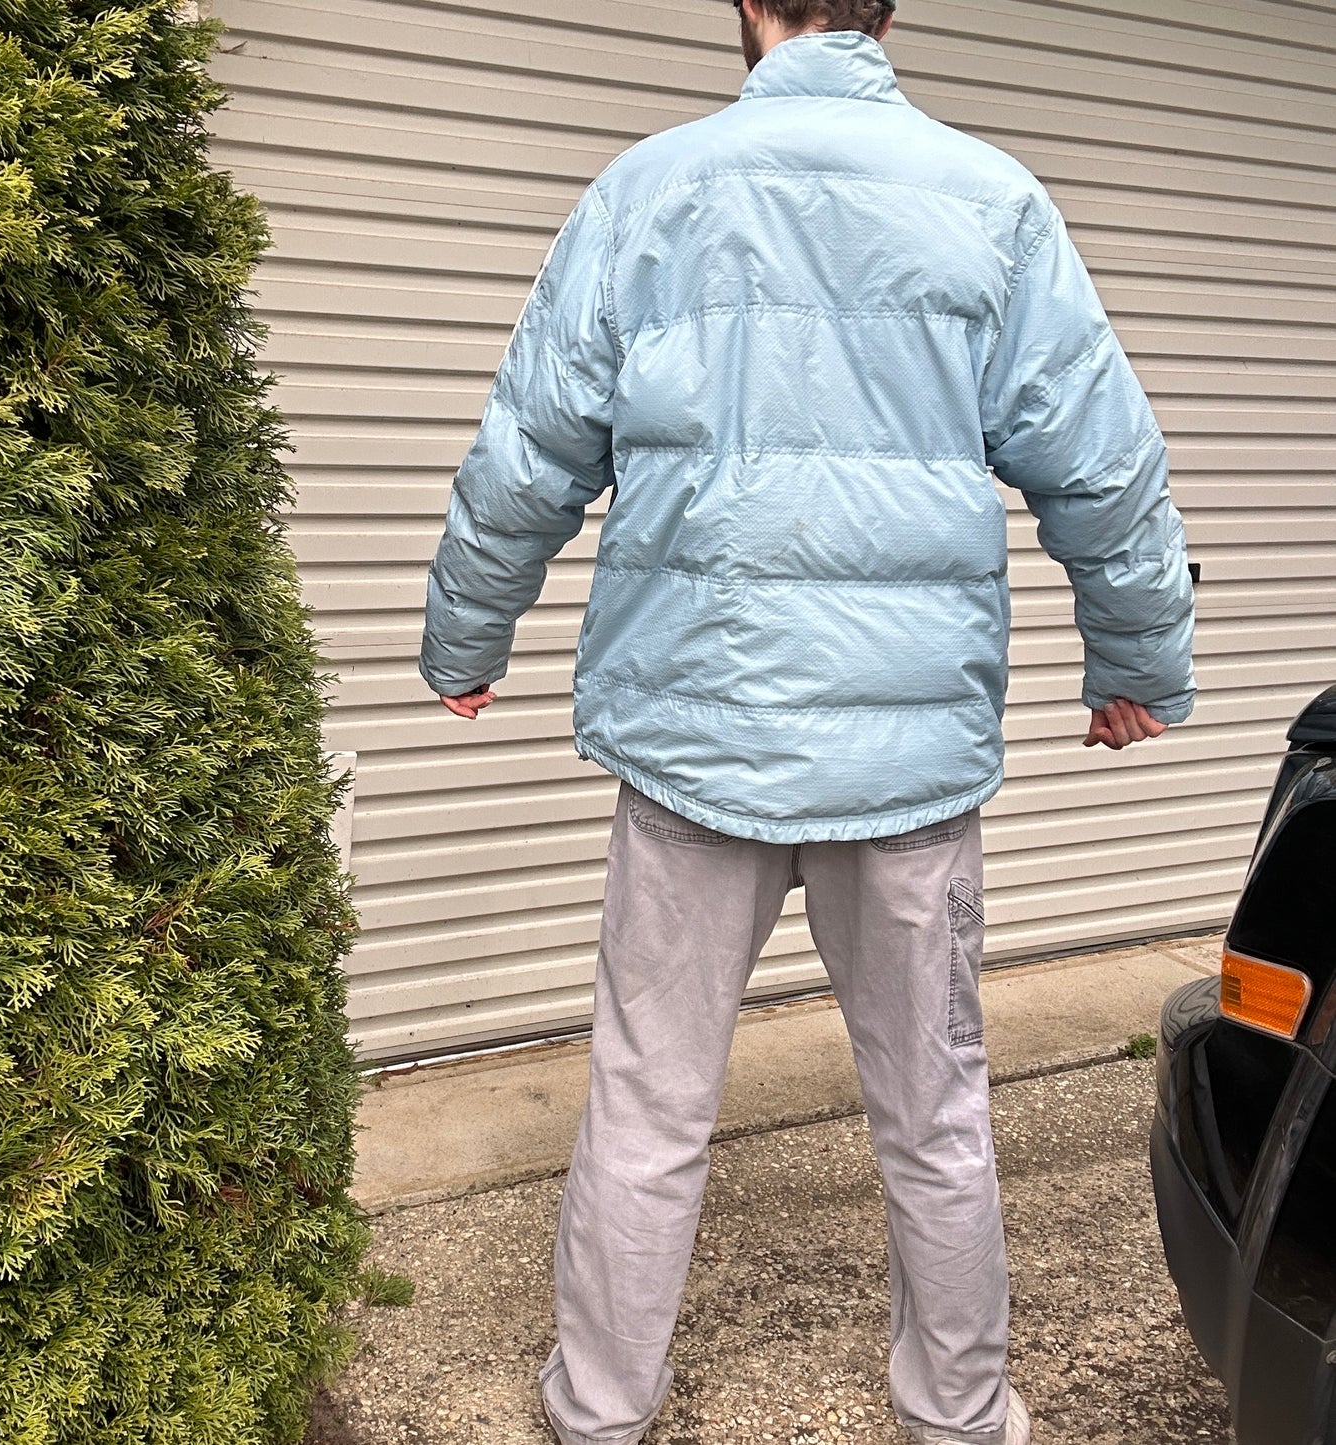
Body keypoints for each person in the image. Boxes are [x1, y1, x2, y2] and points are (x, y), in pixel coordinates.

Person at [419, 0, 1196, 1440]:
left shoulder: (649, 190)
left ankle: (597, 1410)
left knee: (646, 1112)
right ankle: (959, 1412)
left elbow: (526, 449)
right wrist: (1133, 653)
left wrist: (467, 632)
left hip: (691, 739)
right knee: (936, 1115)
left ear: (746, 9)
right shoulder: (992, 201)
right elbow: (1102, 458)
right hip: (900, 760)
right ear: (884, 12)